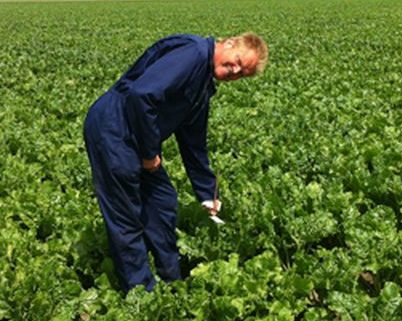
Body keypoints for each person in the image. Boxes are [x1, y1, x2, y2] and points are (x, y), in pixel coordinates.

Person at [82, 32, 268, 291]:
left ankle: (172, 281)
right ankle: (141, 295)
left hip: (137, 135)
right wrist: (148, 155)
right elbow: (141, 95)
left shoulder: (203, 84)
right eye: (236, 61)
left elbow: (194, 142)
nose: (234, 71)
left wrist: (207, 193)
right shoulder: (192, 55)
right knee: (126, 217)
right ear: (229, 43)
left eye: (241, 74)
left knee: (162, 201)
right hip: (114, 130)